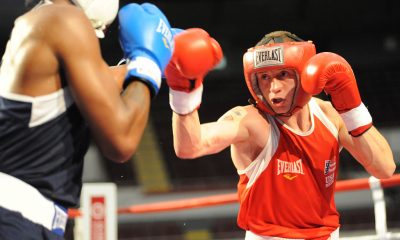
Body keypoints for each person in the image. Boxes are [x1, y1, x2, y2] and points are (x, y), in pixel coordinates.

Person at [166, 30, 396, 239]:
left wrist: (352, 106)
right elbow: (191, 146)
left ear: (304, 74)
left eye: (283, 74)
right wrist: (183, 94)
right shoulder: (250, 121)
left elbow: (385, 168)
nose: (273, 88)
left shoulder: (328, 114)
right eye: (264, 77)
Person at [0, 0, 174, 239]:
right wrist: (149, 62)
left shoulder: (43, 21)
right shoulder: (64, 19)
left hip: (21, 219)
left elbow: (102, 82)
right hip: (16, 220)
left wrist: (161, 53)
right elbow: (122, 140)